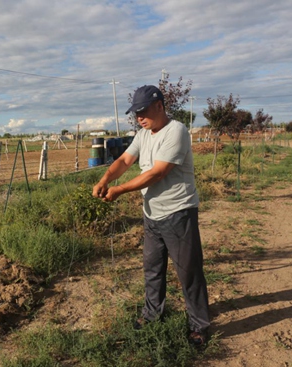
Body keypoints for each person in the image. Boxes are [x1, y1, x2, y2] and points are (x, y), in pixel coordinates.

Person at [92, 85, 210, 346]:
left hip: (178, 213)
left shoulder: (176, 131)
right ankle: (152, 314)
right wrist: (105, 178)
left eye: (143, 111)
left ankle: (199, 325)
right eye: (136, 113)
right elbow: (124, 160)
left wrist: (120, 189)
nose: (139, 117)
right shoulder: (143, 134)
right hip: (152, 215)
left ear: (159, 106)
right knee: (152, 269)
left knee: (188, 272)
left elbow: (158, 173)